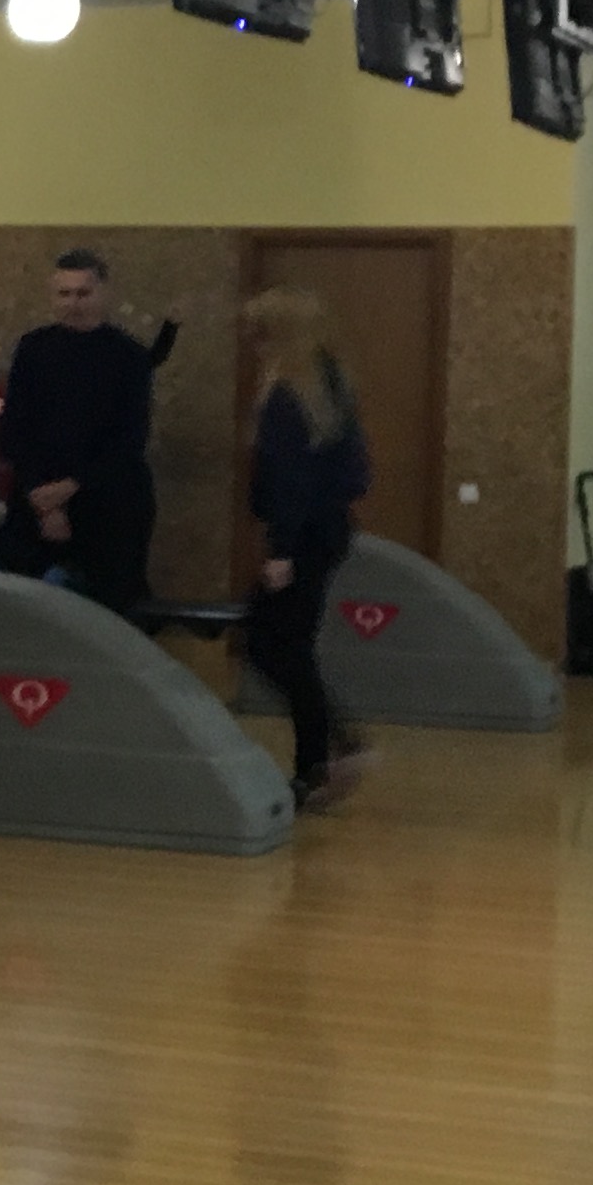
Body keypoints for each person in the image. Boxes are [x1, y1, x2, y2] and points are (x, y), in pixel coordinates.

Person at [242, 286, 375, 807]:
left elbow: (287, 481)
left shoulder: (285, 397)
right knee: (289, 642)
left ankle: (325, 753)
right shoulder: (333, 385)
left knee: (267, 641)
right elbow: (356, 473)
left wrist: (280, 550)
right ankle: (325, 751)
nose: (254, 344)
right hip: (330, 529)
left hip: (300, 537)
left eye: (260, 334)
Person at [4, 249, 174, 615]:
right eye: (64, 294)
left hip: (108, 500)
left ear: (103, 293)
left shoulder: (127, 356)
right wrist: (42, 497)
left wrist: (71, 487)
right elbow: (16, 427)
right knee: (28, 608)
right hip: (37, 497)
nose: (73, 303)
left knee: (111, 607)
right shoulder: (33, 349)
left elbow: (130, 436)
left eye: (83, 293)